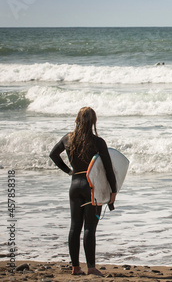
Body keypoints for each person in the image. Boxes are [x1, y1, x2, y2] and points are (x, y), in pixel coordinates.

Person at [50, 107, 117, 276]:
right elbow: (108, 169)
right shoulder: (98, 142)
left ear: (77, 120)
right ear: (93, 121)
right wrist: (113, 191)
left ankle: (75, 267)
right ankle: (91, 267)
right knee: (90, 227)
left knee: (74, 226)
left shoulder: (68, 138)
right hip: (91, 187)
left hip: (75, 186)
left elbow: (53, 155)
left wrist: (68, 171)